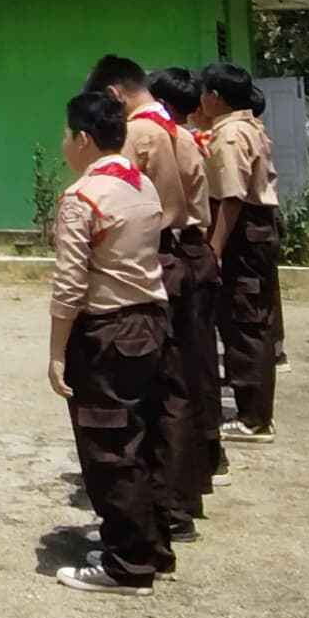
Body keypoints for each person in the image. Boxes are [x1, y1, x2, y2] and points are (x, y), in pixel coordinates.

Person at [48, 92, 173, 594]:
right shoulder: (141, 185)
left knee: (108, 447)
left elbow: (69, 284)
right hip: (151, 321)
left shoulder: (83, 197)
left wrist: (56, 352)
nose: (63, 145)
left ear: (83, 139)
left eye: (66, 135)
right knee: (145, 437)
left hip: (106, 330)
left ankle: (126, 565)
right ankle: (151, 545)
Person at [92, 55, 209, 540]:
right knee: (181, 385)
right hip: (182, 253)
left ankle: (163, 508)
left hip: (155, 259)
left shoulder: (140, 133)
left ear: (114, 95)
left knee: (157, 392)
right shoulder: (171, 127)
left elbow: (138, 208)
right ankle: (180, 496)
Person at [147, 67, 227, 494]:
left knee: (181, 367)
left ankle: (189, 468)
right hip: (193, 249)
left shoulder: (166, 139)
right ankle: (205, 456)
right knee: (198, 361)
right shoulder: (186, 138)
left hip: (180, 249)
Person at [198, 63, 281, 447]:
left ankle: (254, 418)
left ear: (214, 96)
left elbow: (231, 197)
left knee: (244, 320)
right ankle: (254, 410)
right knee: (248, 318)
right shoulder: (248, 126)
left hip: (243, 231)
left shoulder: (230, 134)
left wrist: (215, 248)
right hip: (254, 228)